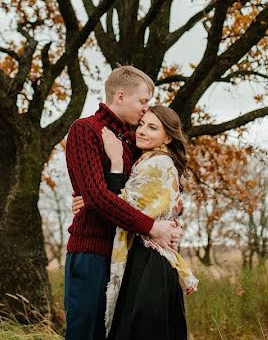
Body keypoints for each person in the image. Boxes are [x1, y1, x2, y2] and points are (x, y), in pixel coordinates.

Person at [64, 66, 183, 340]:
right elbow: (95, 196)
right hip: (92, 252)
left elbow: (149, 192)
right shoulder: (86, 130)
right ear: (120, 96)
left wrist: (170, 222)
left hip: (128, 255)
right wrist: (152, 227)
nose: (146, 110)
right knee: (87, 334)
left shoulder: (134, 140)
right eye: (143, 102)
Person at [102, 105, 198, 340]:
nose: (142, 131)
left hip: (150, 262)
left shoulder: (159, 164)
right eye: (142, 124)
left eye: (153, 127)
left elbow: (125, 209)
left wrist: (115, 163)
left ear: (168, 137)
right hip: (147, 256)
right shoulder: (147, 161)